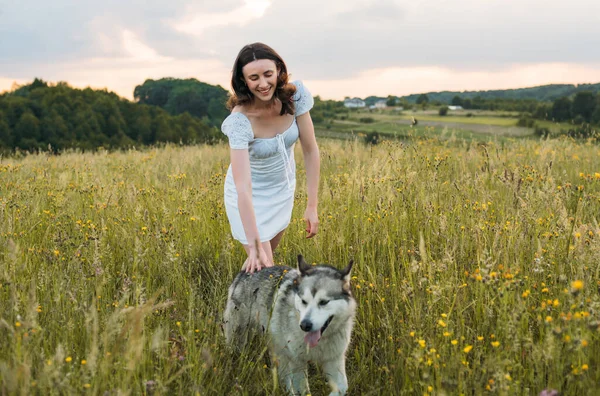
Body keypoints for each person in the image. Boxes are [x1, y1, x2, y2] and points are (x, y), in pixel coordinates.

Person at [221, 43, 320, 274]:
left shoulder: (296, 97)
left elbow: (310, 150)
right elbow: (242, 186)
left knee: (263, 268)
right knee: (267, 269)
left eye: (268, 74)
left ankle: (247, 304)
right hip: (248, 198)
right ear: (244, 81)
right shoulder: (240, 120)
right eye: (254, 78)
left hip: (282, 192)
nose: (263, 84)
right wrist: (254, 244)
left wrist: (312, 206)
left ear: (278, 70)